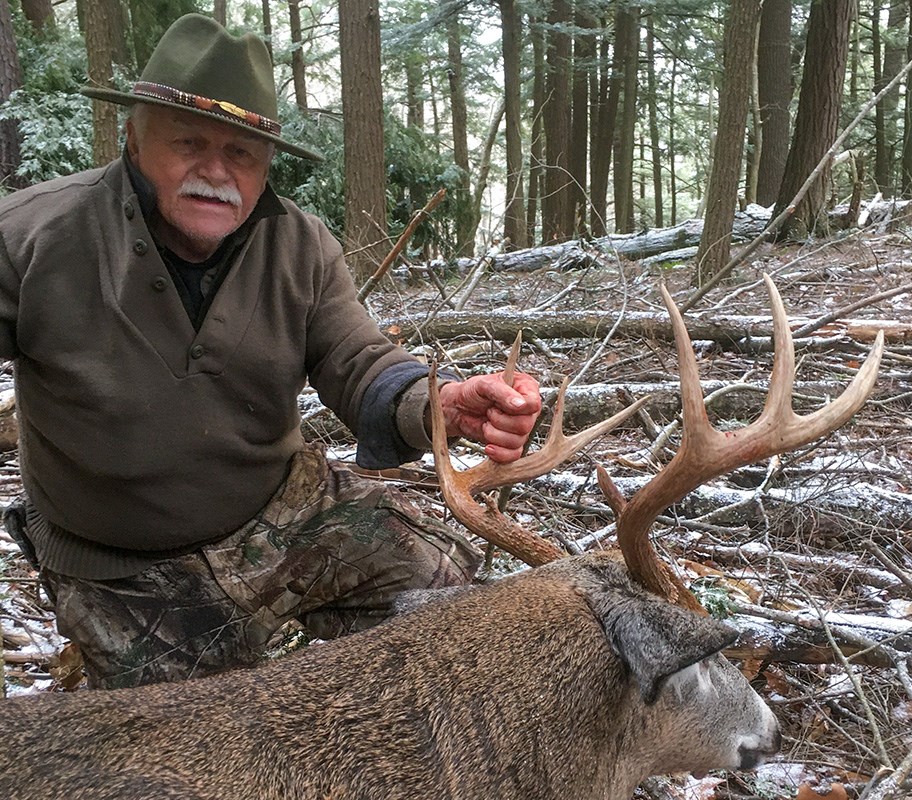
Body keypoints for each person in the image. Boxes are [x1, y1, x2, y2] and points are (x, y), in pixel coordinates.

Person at [0, 14, 542, 689]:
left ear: (265, 168)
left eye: (241, 154)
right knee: (195, 744)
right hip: (120, 562)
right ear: (135, 136)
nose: (216, 172)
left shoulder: (301, 247)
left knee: (441, 593)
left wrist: (442, 406)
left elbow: (360, 364)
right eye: (190, 142)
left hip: (278, 514)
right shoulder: (34, 238)